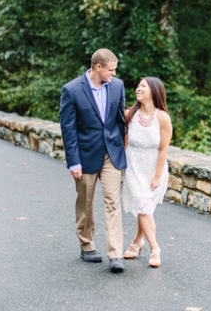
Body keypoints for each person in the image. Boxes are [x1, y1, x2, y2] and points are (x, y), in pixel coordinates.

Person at [59, 48, 127, 273]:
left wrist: (122, 146)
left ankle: (115, 253)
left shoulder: (117, 86)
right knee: (85, 202)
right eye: (111, 70)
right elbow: (68, 129)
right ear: (98, 67)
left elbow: (120, 120)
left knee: (112, 201)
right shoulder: (71, 90)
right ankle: (87, 245)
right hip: (85, 154)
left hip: (111, 154)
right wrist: (74, 161)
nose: (113, 74)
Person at [121, 77, 172, 268]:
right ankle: (155, 248)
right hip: (133, 166)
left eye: (143, 86)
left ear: (154, 91)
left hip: (153, 168)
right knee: (143, 206)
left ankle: (137, 242)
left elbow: (163, 150)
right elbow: (125, 140)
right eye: (138, 85)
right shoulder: (130, 114)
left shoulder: (162, 118)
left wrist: (157, 176)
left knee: (145, 208)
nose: (138, 88)